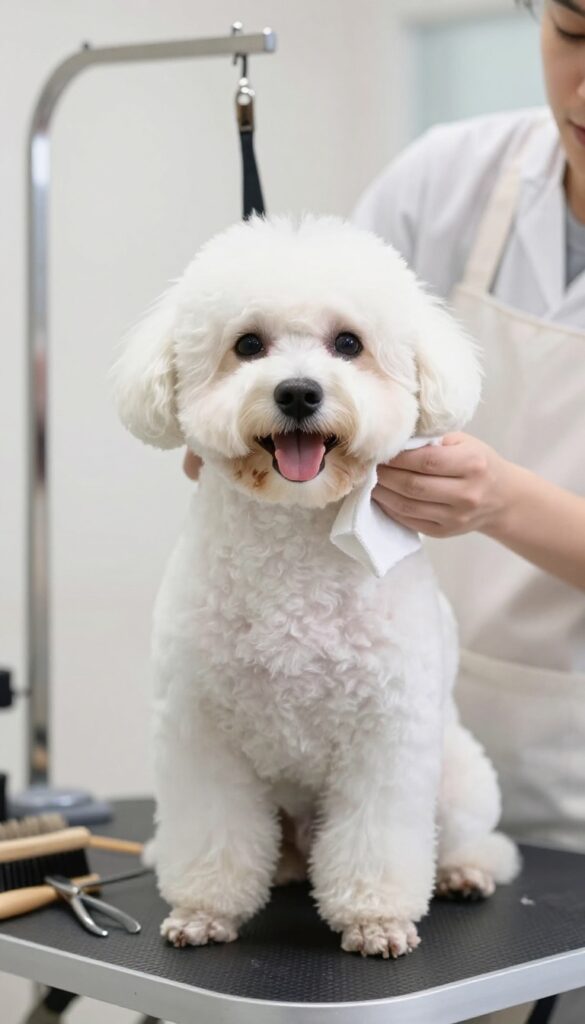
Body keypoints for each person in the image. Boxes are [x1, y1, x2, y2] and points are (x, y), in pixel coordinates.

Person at [183, 2, 585, 1020]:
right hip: (392, 712)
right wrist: (238, 413)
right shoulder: (448, 177)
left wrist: (505, 501)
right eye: (575, 32)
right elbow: (315, 340)